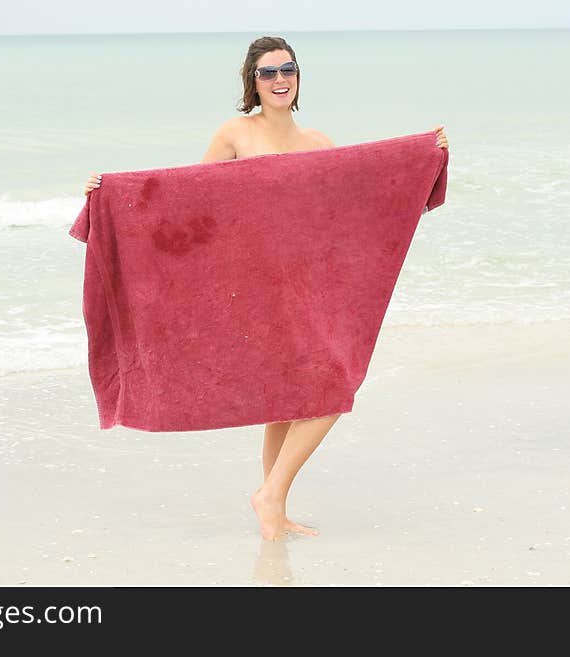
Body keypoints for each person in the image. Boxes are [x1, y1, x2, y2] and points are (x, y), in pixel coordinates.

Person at [83, 36, 449, 541]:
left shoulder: (319, 144)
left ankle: (273, 502)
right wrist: (113, 197)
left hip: (306, 290)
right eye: (267, 72)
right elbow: (187, 199)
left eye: (287, 70)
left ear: (298, 77)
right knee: (314, 392)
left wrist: (420, 157)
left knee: (307, 393)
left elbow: (355, 204)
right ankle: (270, 497)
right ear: (251, 83)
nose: (279, 80)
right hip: (255, 290)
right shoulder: (235, 133)